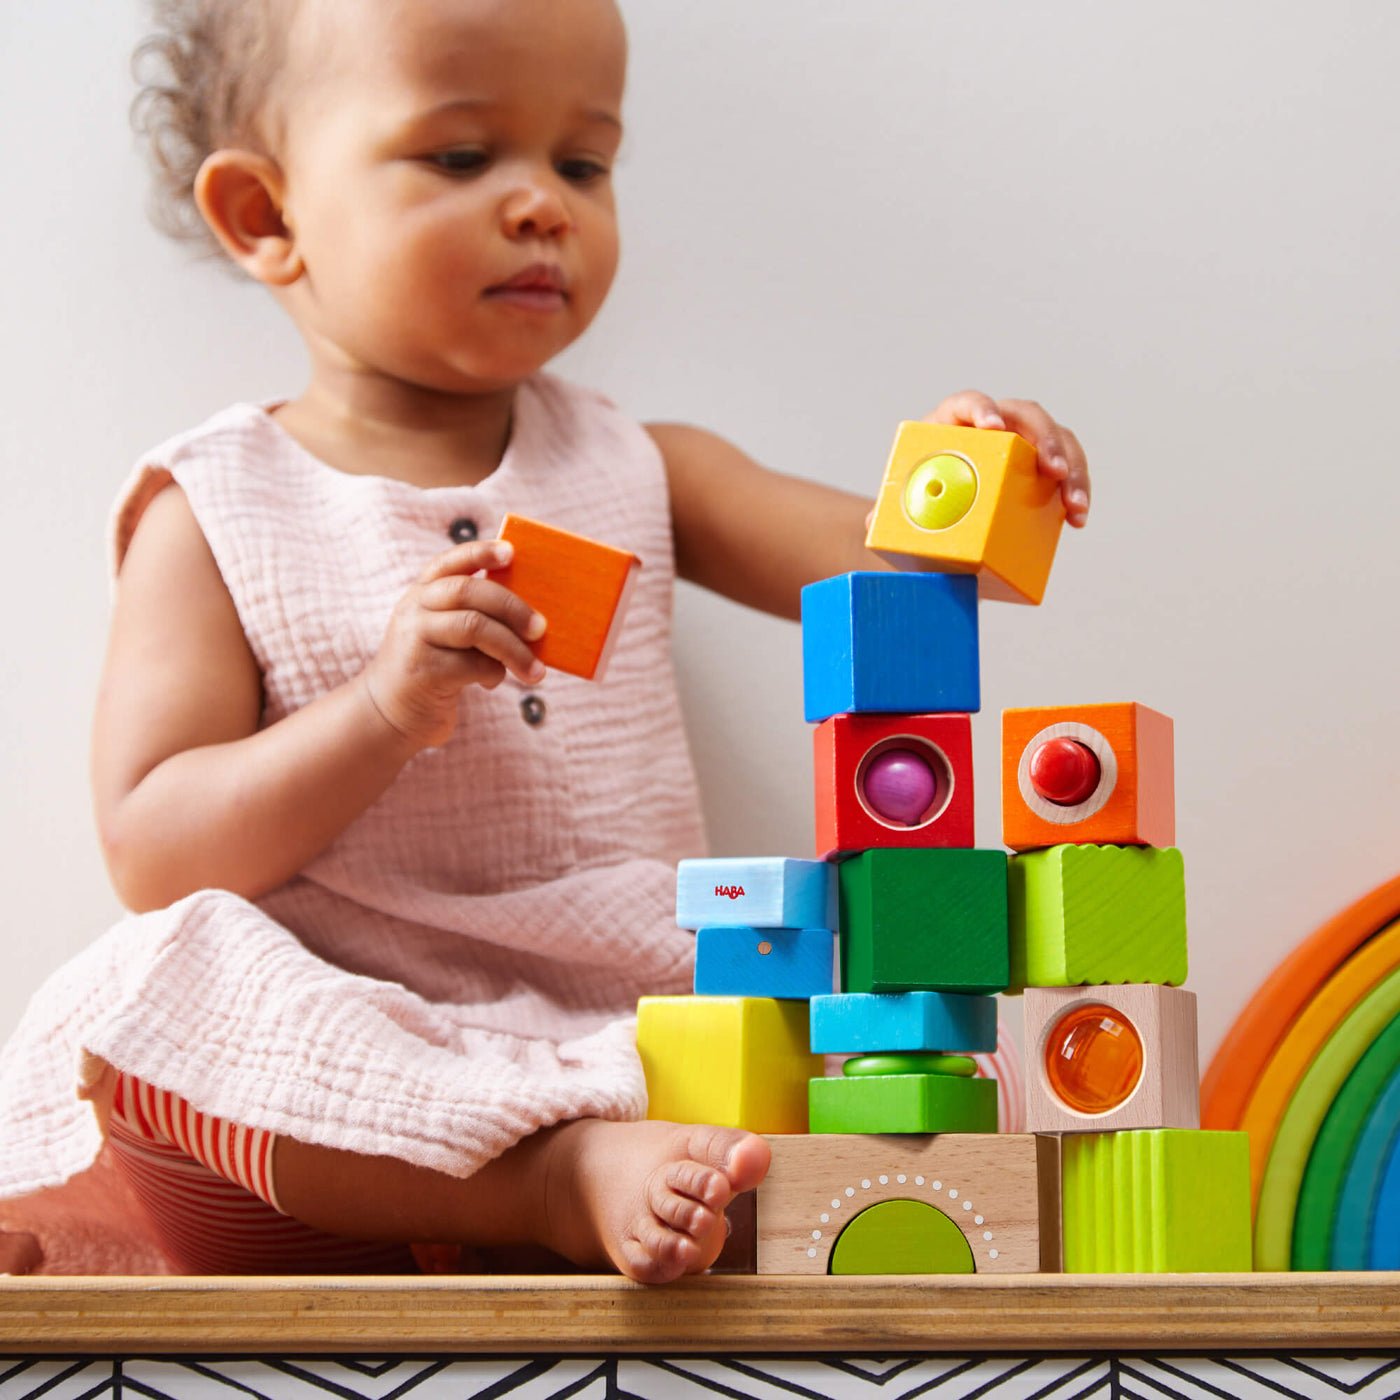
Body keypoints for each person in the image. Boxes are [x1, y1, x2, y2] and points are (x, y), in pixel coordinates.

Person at [0, 0, 1090, 1284]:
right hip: (337, 1080)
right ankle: (544, 1181)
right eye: (462, 157)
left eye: (583, 162)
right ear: (266, 215)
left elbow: (910, 575)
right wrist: (382, 707)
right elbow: (156, 846)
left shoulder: (640, 466)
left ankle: (605, 1163)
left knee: (905, 1075)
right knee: (156, 976)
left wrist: (974, 475)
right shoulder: (218, 505)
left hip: (629, 1038)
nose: (542, 205)